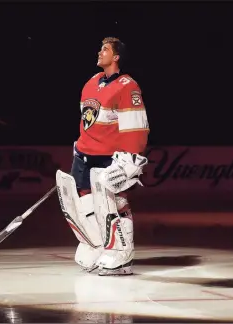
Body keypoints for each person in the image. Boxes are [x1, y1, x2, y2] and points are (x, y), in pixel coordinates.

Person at [55, 37, 149, 276]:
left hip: (109, 157)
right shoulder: (91, 83)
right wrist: (79, 146)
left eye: (105, 49)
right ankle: (97, 245)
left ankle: (121, 252)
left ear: (116, 57)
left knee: (112, 204)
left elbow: (136, 126)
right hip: (85, 156)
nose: (100, 52)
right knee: (82, 204)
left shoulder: (127, 86)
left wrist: (131, 158)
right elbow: (87, 122)